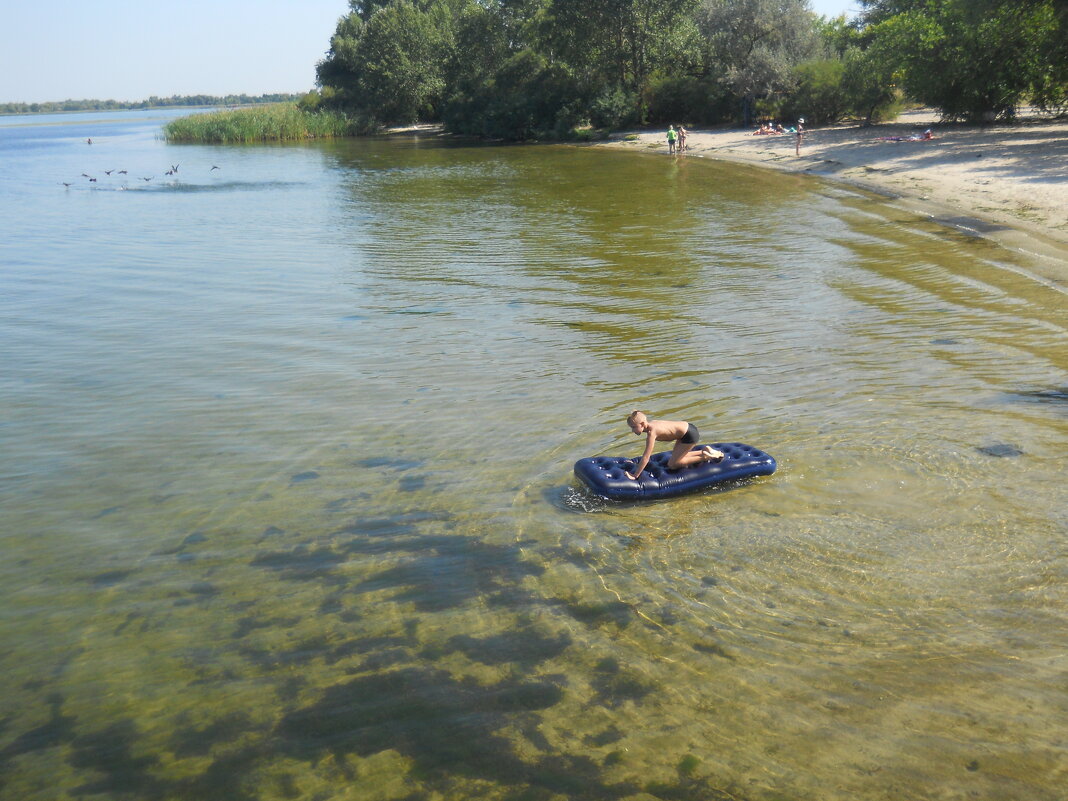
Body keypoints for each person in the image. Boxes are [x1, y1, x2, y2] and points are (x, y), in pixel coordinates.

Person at [624, 410, 724, 480]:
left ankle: (706, 456)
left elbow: (646, 456)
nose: (632, 430)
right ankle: (704, 451)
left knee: (673, 465)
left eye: (633, 427)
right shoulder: (652, 423)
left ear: (642, 424)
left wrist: (635, 475)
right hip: (686, 430)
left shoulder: (652, 433)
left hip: (689, 435)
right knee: (676, 458)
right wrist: (636, 464)